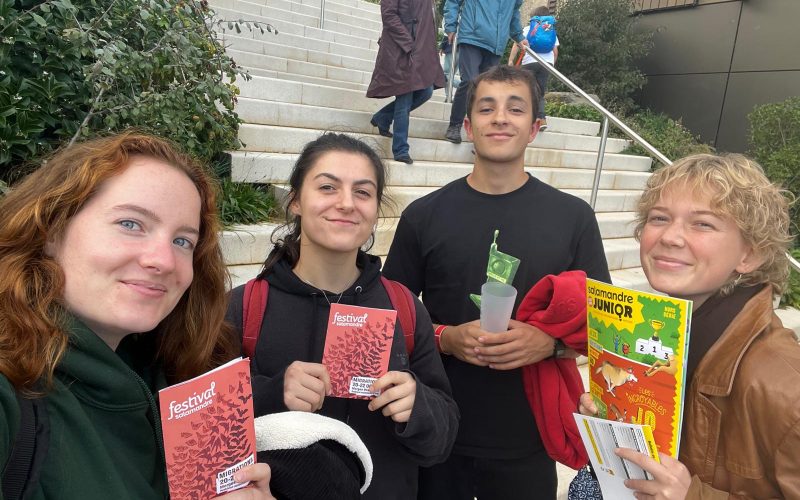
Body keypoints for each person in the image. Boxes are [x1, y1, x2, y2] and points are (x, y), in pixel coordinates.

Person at [0, 132, 273, 499]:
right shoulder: (10, 398)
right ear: (52, 229)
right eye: (130, 224)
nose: (163, 261)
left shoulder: (177, 377)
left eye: (182, 241)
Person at [383, 65, 611, 500]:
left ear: (535, 128)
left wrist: (549, 344)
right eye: (486, 108)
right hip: (438, 430)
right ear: (469, 127)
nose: (500, 118)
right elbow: (389, 316)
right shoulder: (424, 215)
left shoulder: (573, 218)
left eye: (515, 109)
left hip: (530, 438)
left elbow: (606, 327)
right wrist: (446, 338)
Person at [225, 133, 459, 500]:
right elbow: (198, 432)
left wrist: (418, 408)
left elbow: (442, 440)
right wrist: (271, 393)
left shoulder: (404, 309)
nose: (347, 203)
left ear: (376, 209)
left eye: (363, 192)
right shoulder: (244, 307)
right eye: (328, 187)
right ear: (296, 200)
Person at [579, 153, 800, 499]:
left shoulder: (786, 387)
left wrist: (692, 496)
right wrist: (612, 422)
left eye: (703, 224)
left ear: (750, 255)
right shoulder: (667, 335)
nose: (670, 236)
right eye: (659, 218)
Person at [367, 0, 445, 164]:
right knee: (405, 98)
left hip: (419, 51)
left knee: (426, 91)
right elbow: (389, 14)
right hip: (401, 49)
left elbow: (427, 21)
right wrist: (409, 43)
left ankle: (383, 117)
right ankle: (401, 149)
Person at [442, 0, 526, 144]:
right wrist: (451, 25)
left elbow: (513, 13)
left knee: (487, 90)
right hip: (472, 36)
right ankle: (455, 125)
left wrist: (519, 36)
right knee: (470, 81)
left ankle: (481, 133)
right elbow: (453, 1)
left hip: (496, 44)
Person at [508, 6, 559, 131]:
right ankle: (541, 120)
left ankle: (520, 116)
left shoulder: (528, 28)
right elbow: (555, 51)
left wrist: (511, 60)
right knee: (539, 92)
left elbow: (517, 44)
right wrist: (551, 65)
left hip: (530, 62)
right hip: (546, 64)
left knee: (524, 89)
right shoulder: (550, 29)